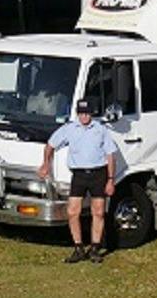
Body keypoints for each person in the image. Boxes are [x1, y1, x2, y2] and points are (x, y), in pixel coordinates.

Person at [40, 99, 119, 264]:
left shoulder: (100, 129)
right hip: (79, 175)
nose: (84, 116)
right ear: (78, 113)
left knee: (98, 212)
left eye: (87, 113)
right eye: (81, 113)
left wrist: (110, 180)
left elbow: (110, 155)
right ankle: (78, 247)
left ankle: (95, 248)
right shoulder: (70, 129)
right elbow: (50, 145)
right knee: (72, 211)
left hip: (99, 174)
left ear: (92, 113)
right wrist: (46, 164)